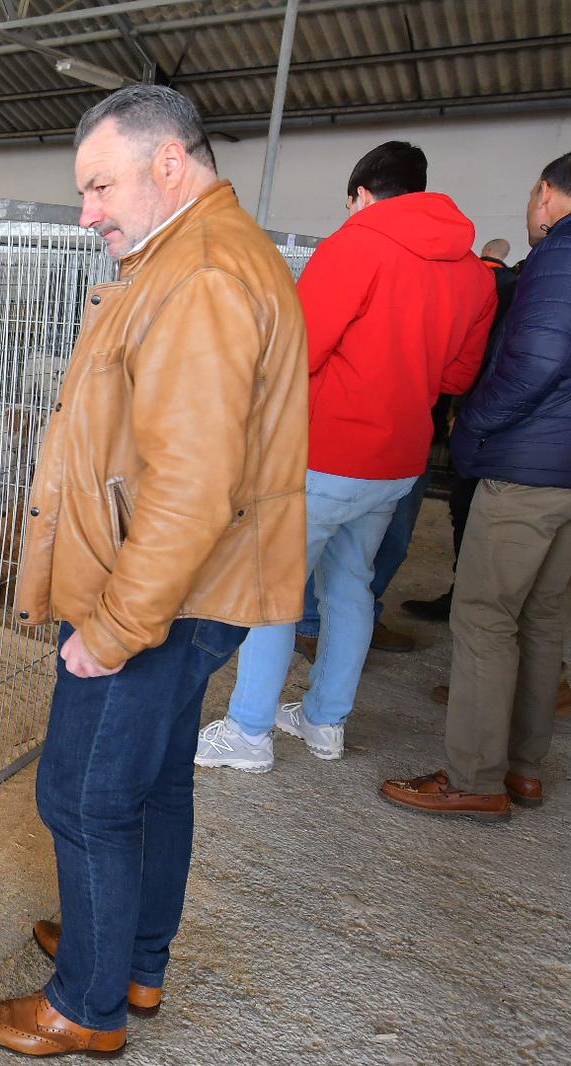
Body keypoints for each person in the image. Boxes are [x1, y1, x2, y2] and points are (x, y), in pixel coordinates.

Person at [0, 85, 308, 1058]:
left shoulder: (197, 273)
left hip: (158, 592)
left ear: (167, 164)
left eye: (99, 184)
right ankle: (132, 955)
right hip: (200, 586)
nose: (88, 212)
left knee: (80, 795)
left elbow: (190, 485)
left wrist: (111, 628)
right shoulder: (203, 251)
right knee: (152, 784)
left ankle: (85, 1002)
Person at [196, 141, 495, 774]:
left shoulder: (355, 245)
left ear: (361, 194)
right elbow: (460, 375)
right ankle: (325, 721)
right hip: (398, 461)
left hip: (327, 451)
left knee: (275, 590)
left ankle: (249, 732)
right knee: (351, 585)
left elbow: (298, 352)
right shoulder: (474, 274)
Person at [382, 153, 571, 819]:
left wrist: (475, 425)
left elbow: (538, 361)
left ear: (547, 195)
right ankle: (522, 769)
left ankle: (473, 777)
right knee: (543, 618)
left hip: (525, 471)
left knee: (486, 617)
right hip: (565, 478)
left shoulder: (557, 255)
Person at [403, 237, 521, 623]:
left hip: (495, 430)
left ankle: (467, 604)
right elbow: (466, 369)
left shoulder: (509, 283)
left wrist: (473, 417)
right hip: (455, 423)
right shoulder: (500, 282)